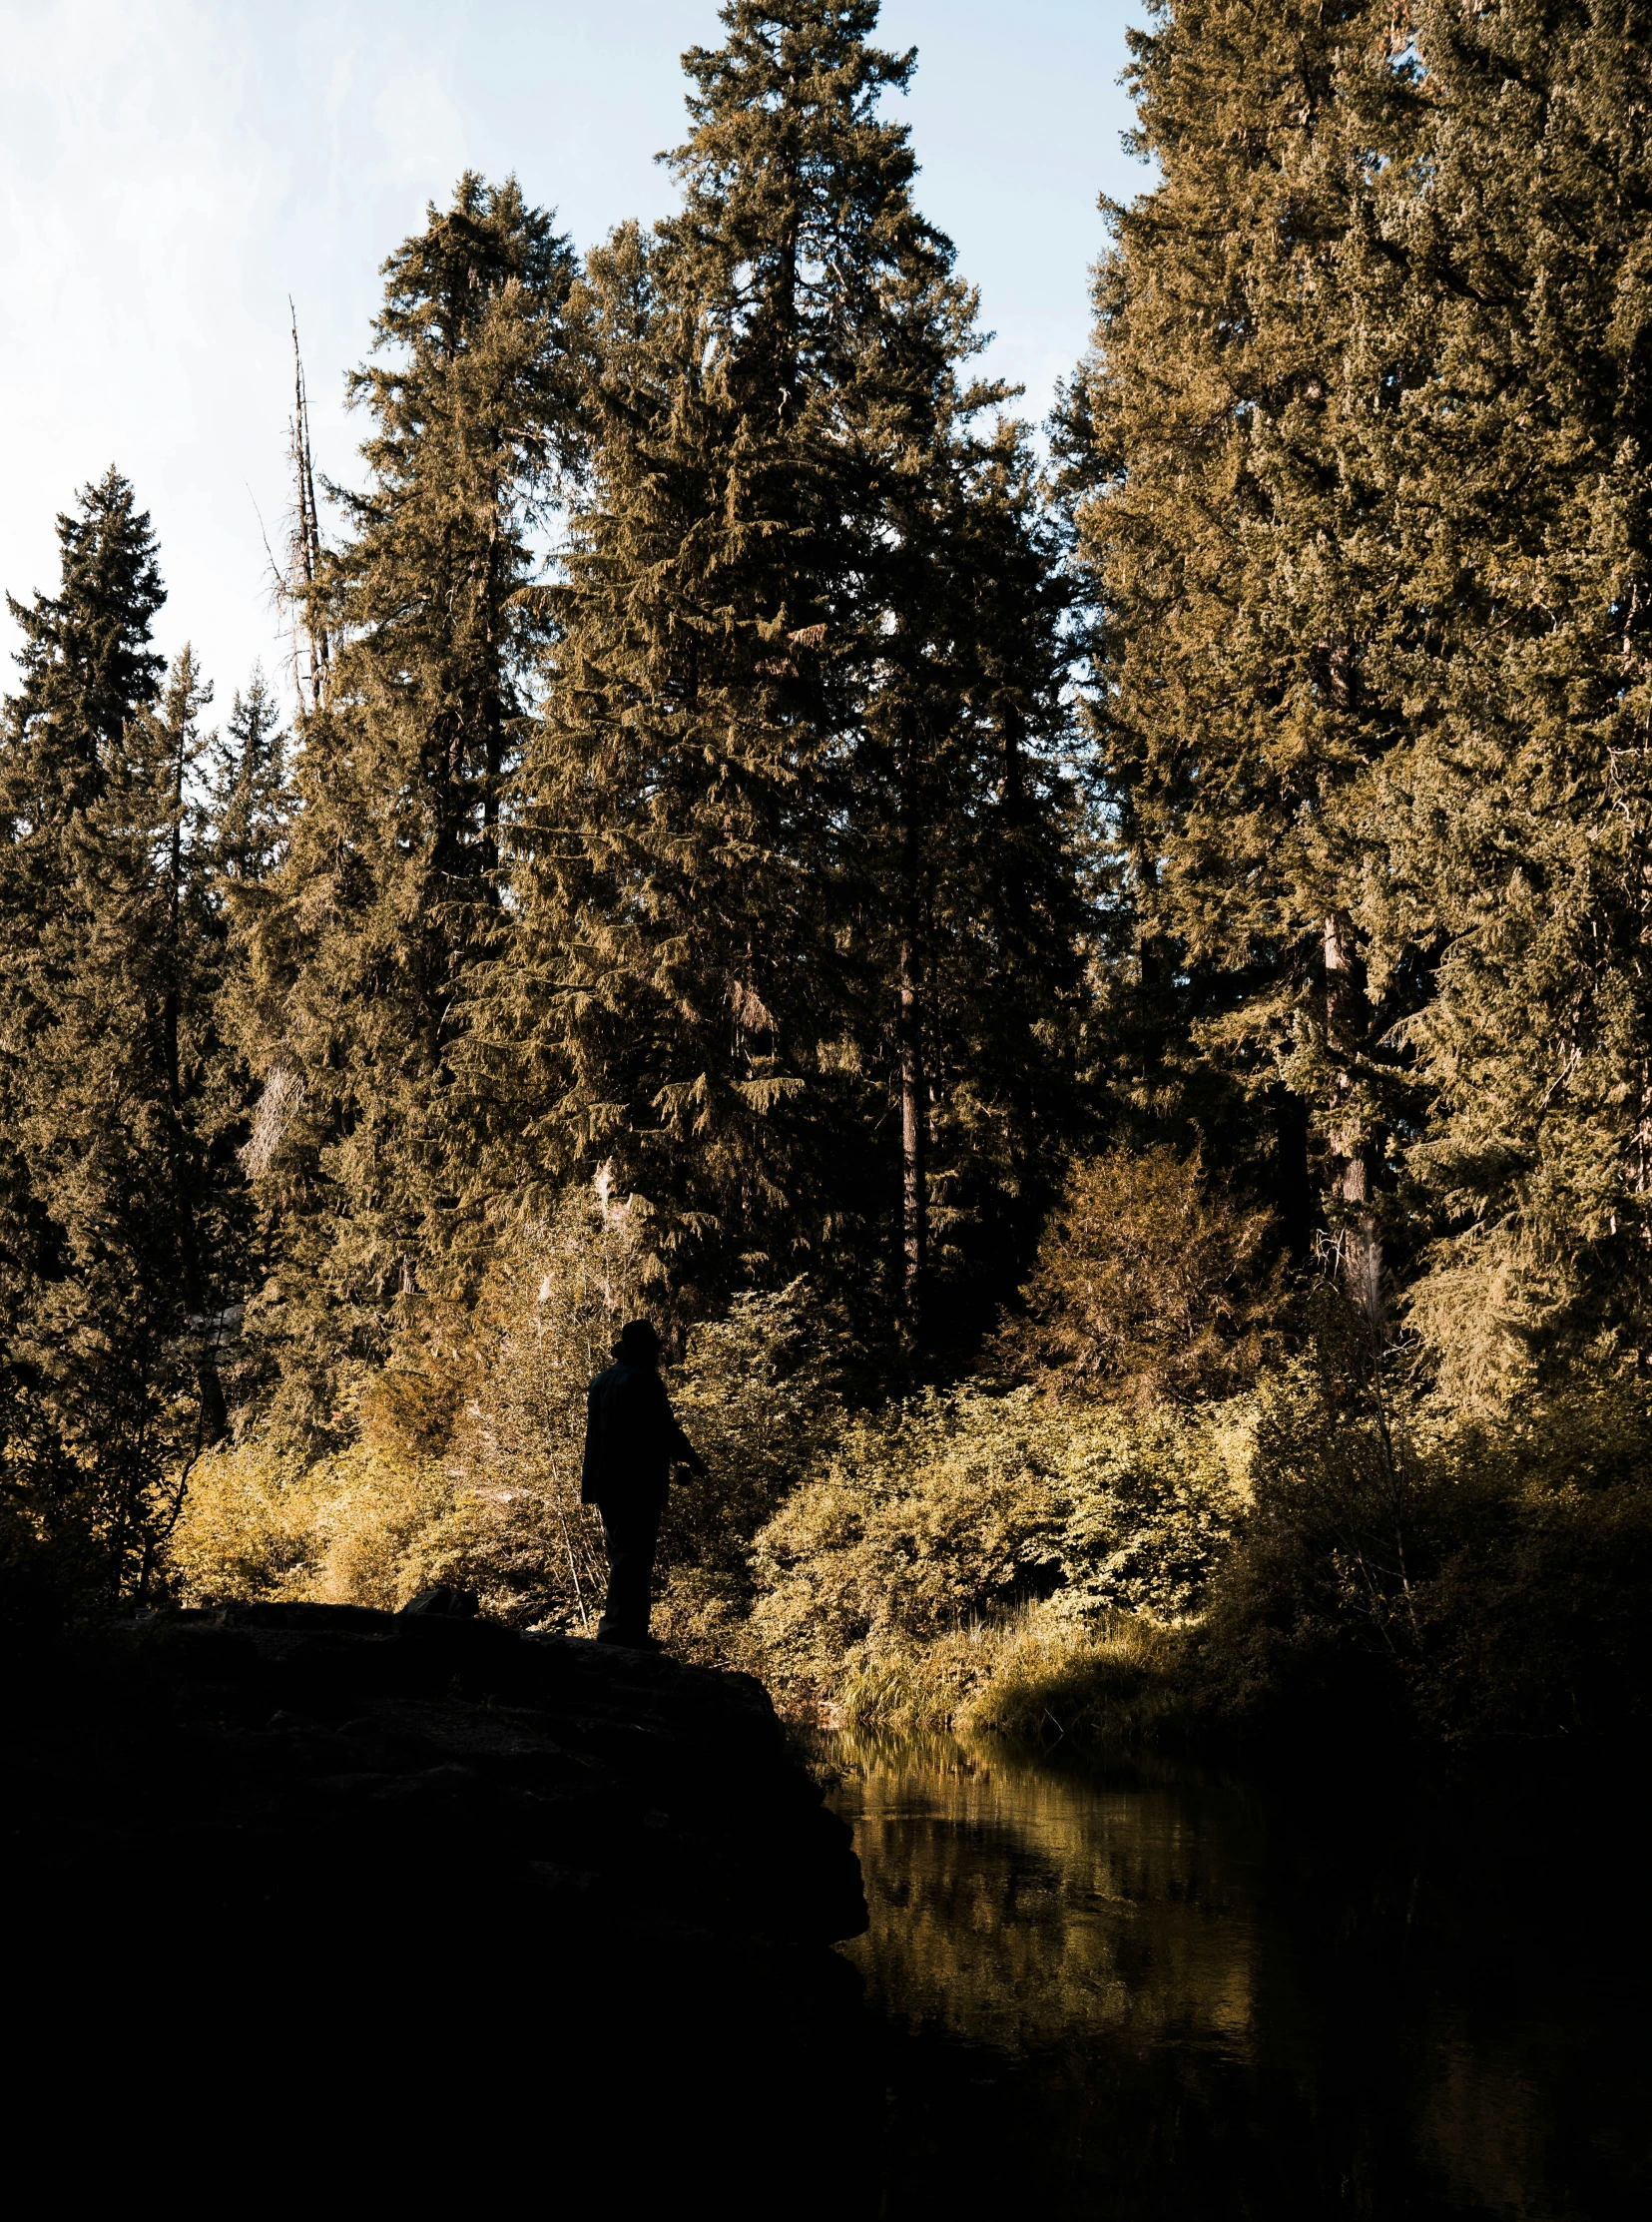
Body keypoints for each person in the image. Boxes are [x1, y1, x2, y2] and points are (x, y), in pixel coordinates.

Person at [580, 1319, 706, 1647]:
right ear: (644, 1351)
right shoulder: (644, 1381)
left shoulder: (601, 1381)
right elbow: (665, 1430)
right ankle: (625, 1632)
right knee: (635, 1558)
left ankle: (621, 1628)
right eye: (652, 1350)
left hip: (604, 1483)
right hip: (637, 1484)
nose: (656, 1356)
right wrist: (693, 1461)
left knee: (621, 1555)